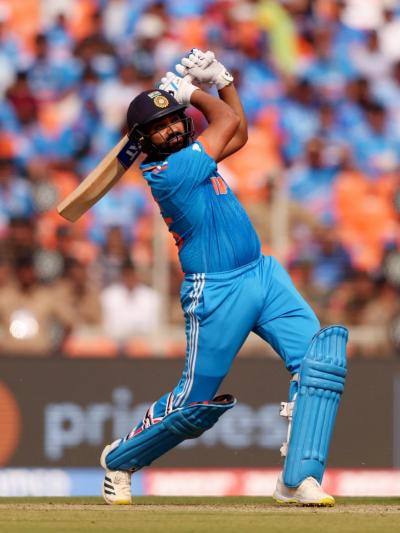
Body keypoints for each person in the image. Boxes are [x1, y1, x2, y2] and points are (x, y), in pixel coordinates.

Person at [100, 49, 348, 506]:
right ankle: (121, 459)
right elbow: (227, 122)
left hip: (263, 274)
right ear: (143, 140)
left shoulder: (195, 155)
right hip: (215, 290)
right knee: (194, 402)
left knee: (319, 364)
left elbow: (240, 131)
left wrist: (224, 81)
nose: (171, 129)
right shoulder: (168, 172)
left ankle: (298, 480)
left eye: (173, 119)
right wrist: (195, 91)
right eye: (159, 127)